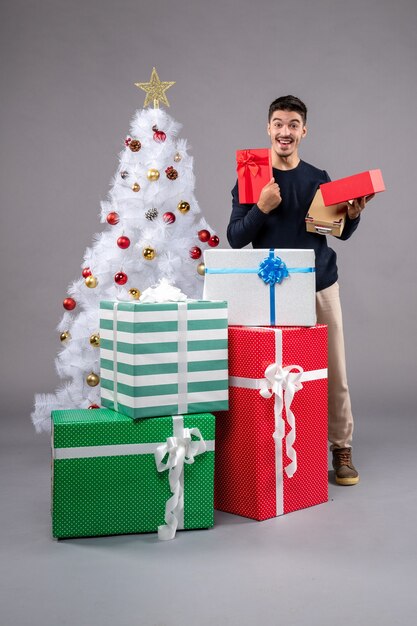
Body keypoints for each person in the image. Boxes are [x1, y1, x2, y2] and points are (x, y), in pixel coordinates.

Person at [227, 95, 373, 486]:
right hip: (270, 289)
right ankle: (269, 450)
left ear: (303, 131)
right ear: (268, 128)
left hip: (318, 284)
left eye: (293, 124)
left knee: (334, 372)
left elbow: (331, 232)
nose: (285, 131)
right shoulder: (252, 174)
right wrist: (260, 207)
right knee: (269, 375)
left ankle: (341, 449)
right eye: (278, 123)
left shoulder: (318, 177)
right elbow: (236, 238)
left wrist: (351, 217)